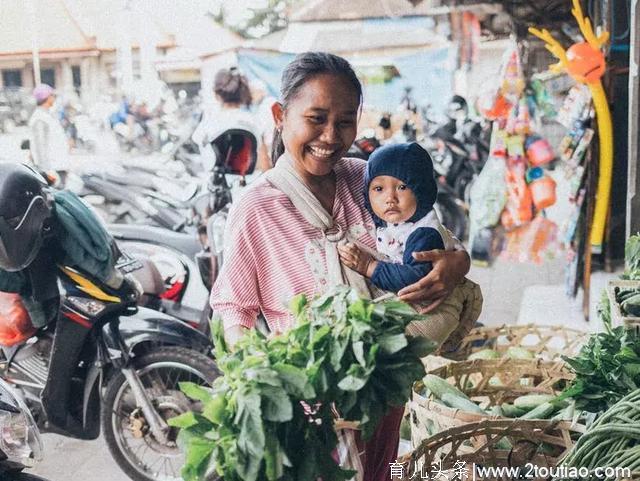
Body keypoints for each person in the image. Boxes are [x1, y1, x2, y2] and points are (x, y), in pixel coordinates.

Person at [209, 52, 471, 481]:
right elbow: (234, 309)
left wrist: (456, 263)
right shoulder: (257, 208)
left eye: (345, 121)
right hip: (311, 408)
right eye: (316, 119)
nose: (331, 136)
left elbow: (429, 232)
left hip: (380, 393)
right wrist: (256, 381)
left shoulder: (367, 179)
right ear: (280, 115)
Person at [337, 142, 482, 346]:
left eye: (402, 187)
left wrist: (368, 266)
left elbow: (414, 279)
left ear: (420, 189)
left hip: (432, 310)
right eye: (378, 189)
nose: (390, 199)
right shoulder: (395, 223)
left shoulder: (422, 233)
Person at [192, 67, 267, 172]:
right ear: (242, 94)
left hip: (216, 186)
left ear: (216, 94)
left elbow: (198, 142)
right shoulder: (254, 122)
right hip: (249, 185)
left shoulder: (209, 123)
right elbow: (264, 164)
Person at [28, 84, 70, 186]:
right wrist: (46, 171)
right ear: (47, 98)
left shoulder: (48, 115)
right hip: (52, 170)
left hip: (59, 166)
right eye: (52, 96)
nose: (54, 98)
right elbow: (40, 147)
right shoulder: (40, 119)